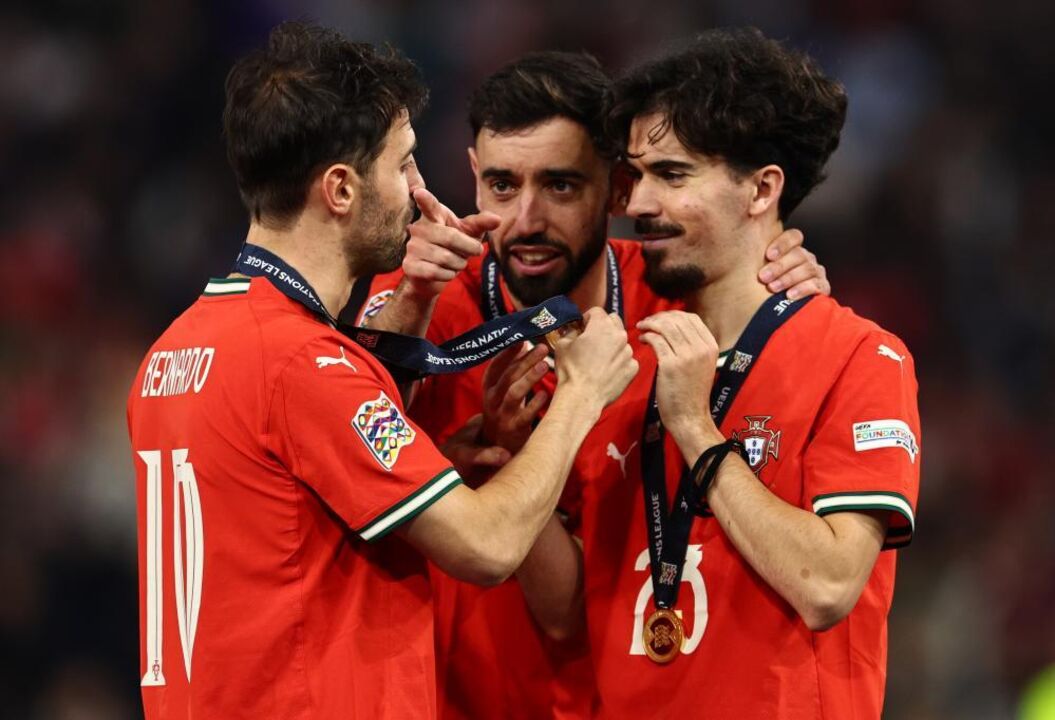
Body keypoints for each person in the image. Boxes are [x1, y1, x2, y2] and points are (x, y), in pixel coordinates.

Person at [126, 23, 639, 720]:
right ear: (340, 189)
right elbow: (485, 546)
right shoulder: (302, 362)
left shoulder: (171, 353)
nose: (418, 191)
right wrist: (581, 394)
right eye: (402, 166)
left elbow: (280, 537)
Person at [356, 51, 831, 718]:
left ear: (615, 189)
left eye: (559, 187)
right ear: (470, 177)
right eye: (500, 186)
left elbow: (776, 314)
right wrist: (406, 308)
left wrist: (786, 281)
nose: (524, 221)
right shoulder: (420, 305)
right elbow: (338, 438)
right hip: (450, 700)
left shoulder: (679, 297)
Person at [525, 28, 921, 718]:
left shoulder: (858, 356)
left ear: (762, 189)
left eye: (673, 175)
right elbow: (568, 611)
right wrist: (515, 451)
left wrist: (694, 428)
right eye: (637, 175)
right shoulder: (614, 354)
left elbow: (827, 584)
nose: (639, 202)